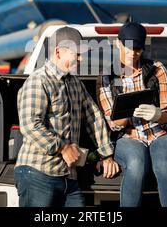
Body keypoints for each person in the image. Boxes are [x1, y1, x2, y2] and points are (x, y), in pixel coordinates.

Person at [15, 26, 120, 207]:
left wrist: (106, 155)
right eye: (76, 54)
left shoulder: (75, 83)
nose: (81, 58)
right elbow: (30, 125)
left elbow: (93, 116)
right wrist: (62, 148)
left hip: (68, 176)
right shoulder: (38, 81)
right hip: (37, 173)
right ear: (58, 52)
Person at [97, 21, 167, 207]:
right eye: (128, 47)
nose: (133, 52)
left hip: (160, 134)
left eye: (137, 48)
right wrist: (126, 110)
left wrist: (157, 114)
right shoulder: (107, 76)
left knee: (163, 163)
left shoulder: (157, 69)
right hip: (128, 137)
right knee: (136, 164)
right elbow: (114, 124)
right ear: (117, 43)